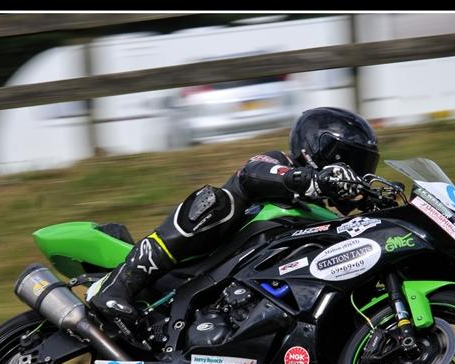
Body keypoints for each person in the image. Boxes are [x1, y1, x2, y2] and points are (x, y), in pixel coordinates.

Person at [86, 107, 380, 324]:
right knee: (217, 201)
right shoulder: (277, 163)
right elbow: (251, 174)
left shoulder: (320, 217)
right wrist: (309, 180)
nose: (356, 172)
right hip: (192, 267)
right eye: (353, 162)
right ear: (319, 148)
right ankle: (118, 284)